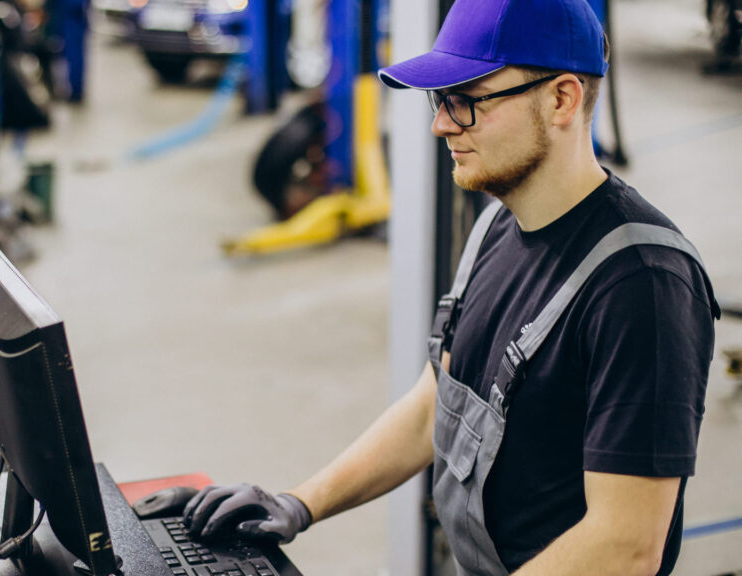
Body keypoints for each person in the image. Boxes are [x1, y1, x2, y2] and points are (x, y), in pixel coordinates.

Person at [182, 0, 721, 574]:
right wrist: (299, 501)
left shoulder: (642, 285)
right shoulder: (498, 222)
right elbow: (434, 403)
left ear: (562, 99)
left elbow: (626, 546)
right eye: (441, 101)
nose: (441, 124)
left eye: (467, 102)